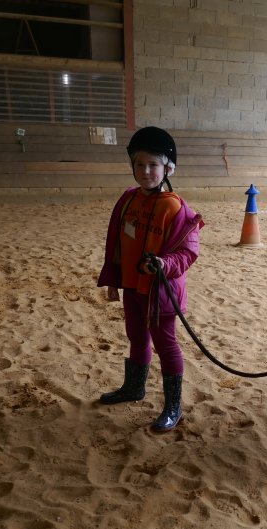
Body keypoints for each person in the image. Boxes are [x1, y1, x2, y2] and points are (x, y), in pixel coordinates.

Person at [97, 126, 204, 432]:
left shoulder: (175, 207)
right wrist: (115, 278)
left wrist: (163, 264)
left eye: (153, 165)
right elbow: (117, 242)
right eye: (139, 164)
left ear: (167, 168)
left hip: (161, 291)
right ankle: (134, 387)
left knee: (166, 344)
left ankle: (173, 406)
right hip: (132, 286)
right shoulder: (128, 200)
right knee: (136, 337)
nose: (145, 171)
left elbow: (188, 252)